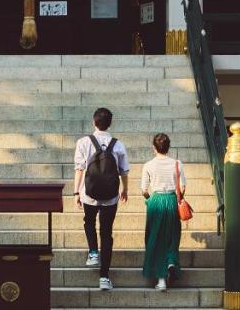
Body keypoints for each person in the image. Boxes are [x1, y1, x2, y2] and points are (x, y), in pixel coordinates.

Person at [73, 107, 129, 291]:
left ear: (94, 122)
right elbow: (124, 171)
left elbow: (80, 169)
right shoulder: (118, 144)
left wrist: (75, 193)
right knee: (106, 233)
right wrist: (125, 189)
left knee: (89, 222)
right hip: (111, 196)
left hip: (89, 193)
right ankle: (104, 277)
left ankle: (93, 252)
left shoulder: (83, 142)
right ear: (110, 124)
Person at [140, 133, 186, 291]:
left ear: (154, 148)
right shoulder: (177, 164)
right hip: (172, 200)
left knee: (156, 238)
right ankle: (171, 262)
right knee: (172, 236)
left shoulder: (148, 165)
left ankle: (161, 280)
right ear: (168, 147)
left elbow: (144, 189)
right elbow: (183, 187)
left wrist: (149, 199)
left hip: (156, 200)